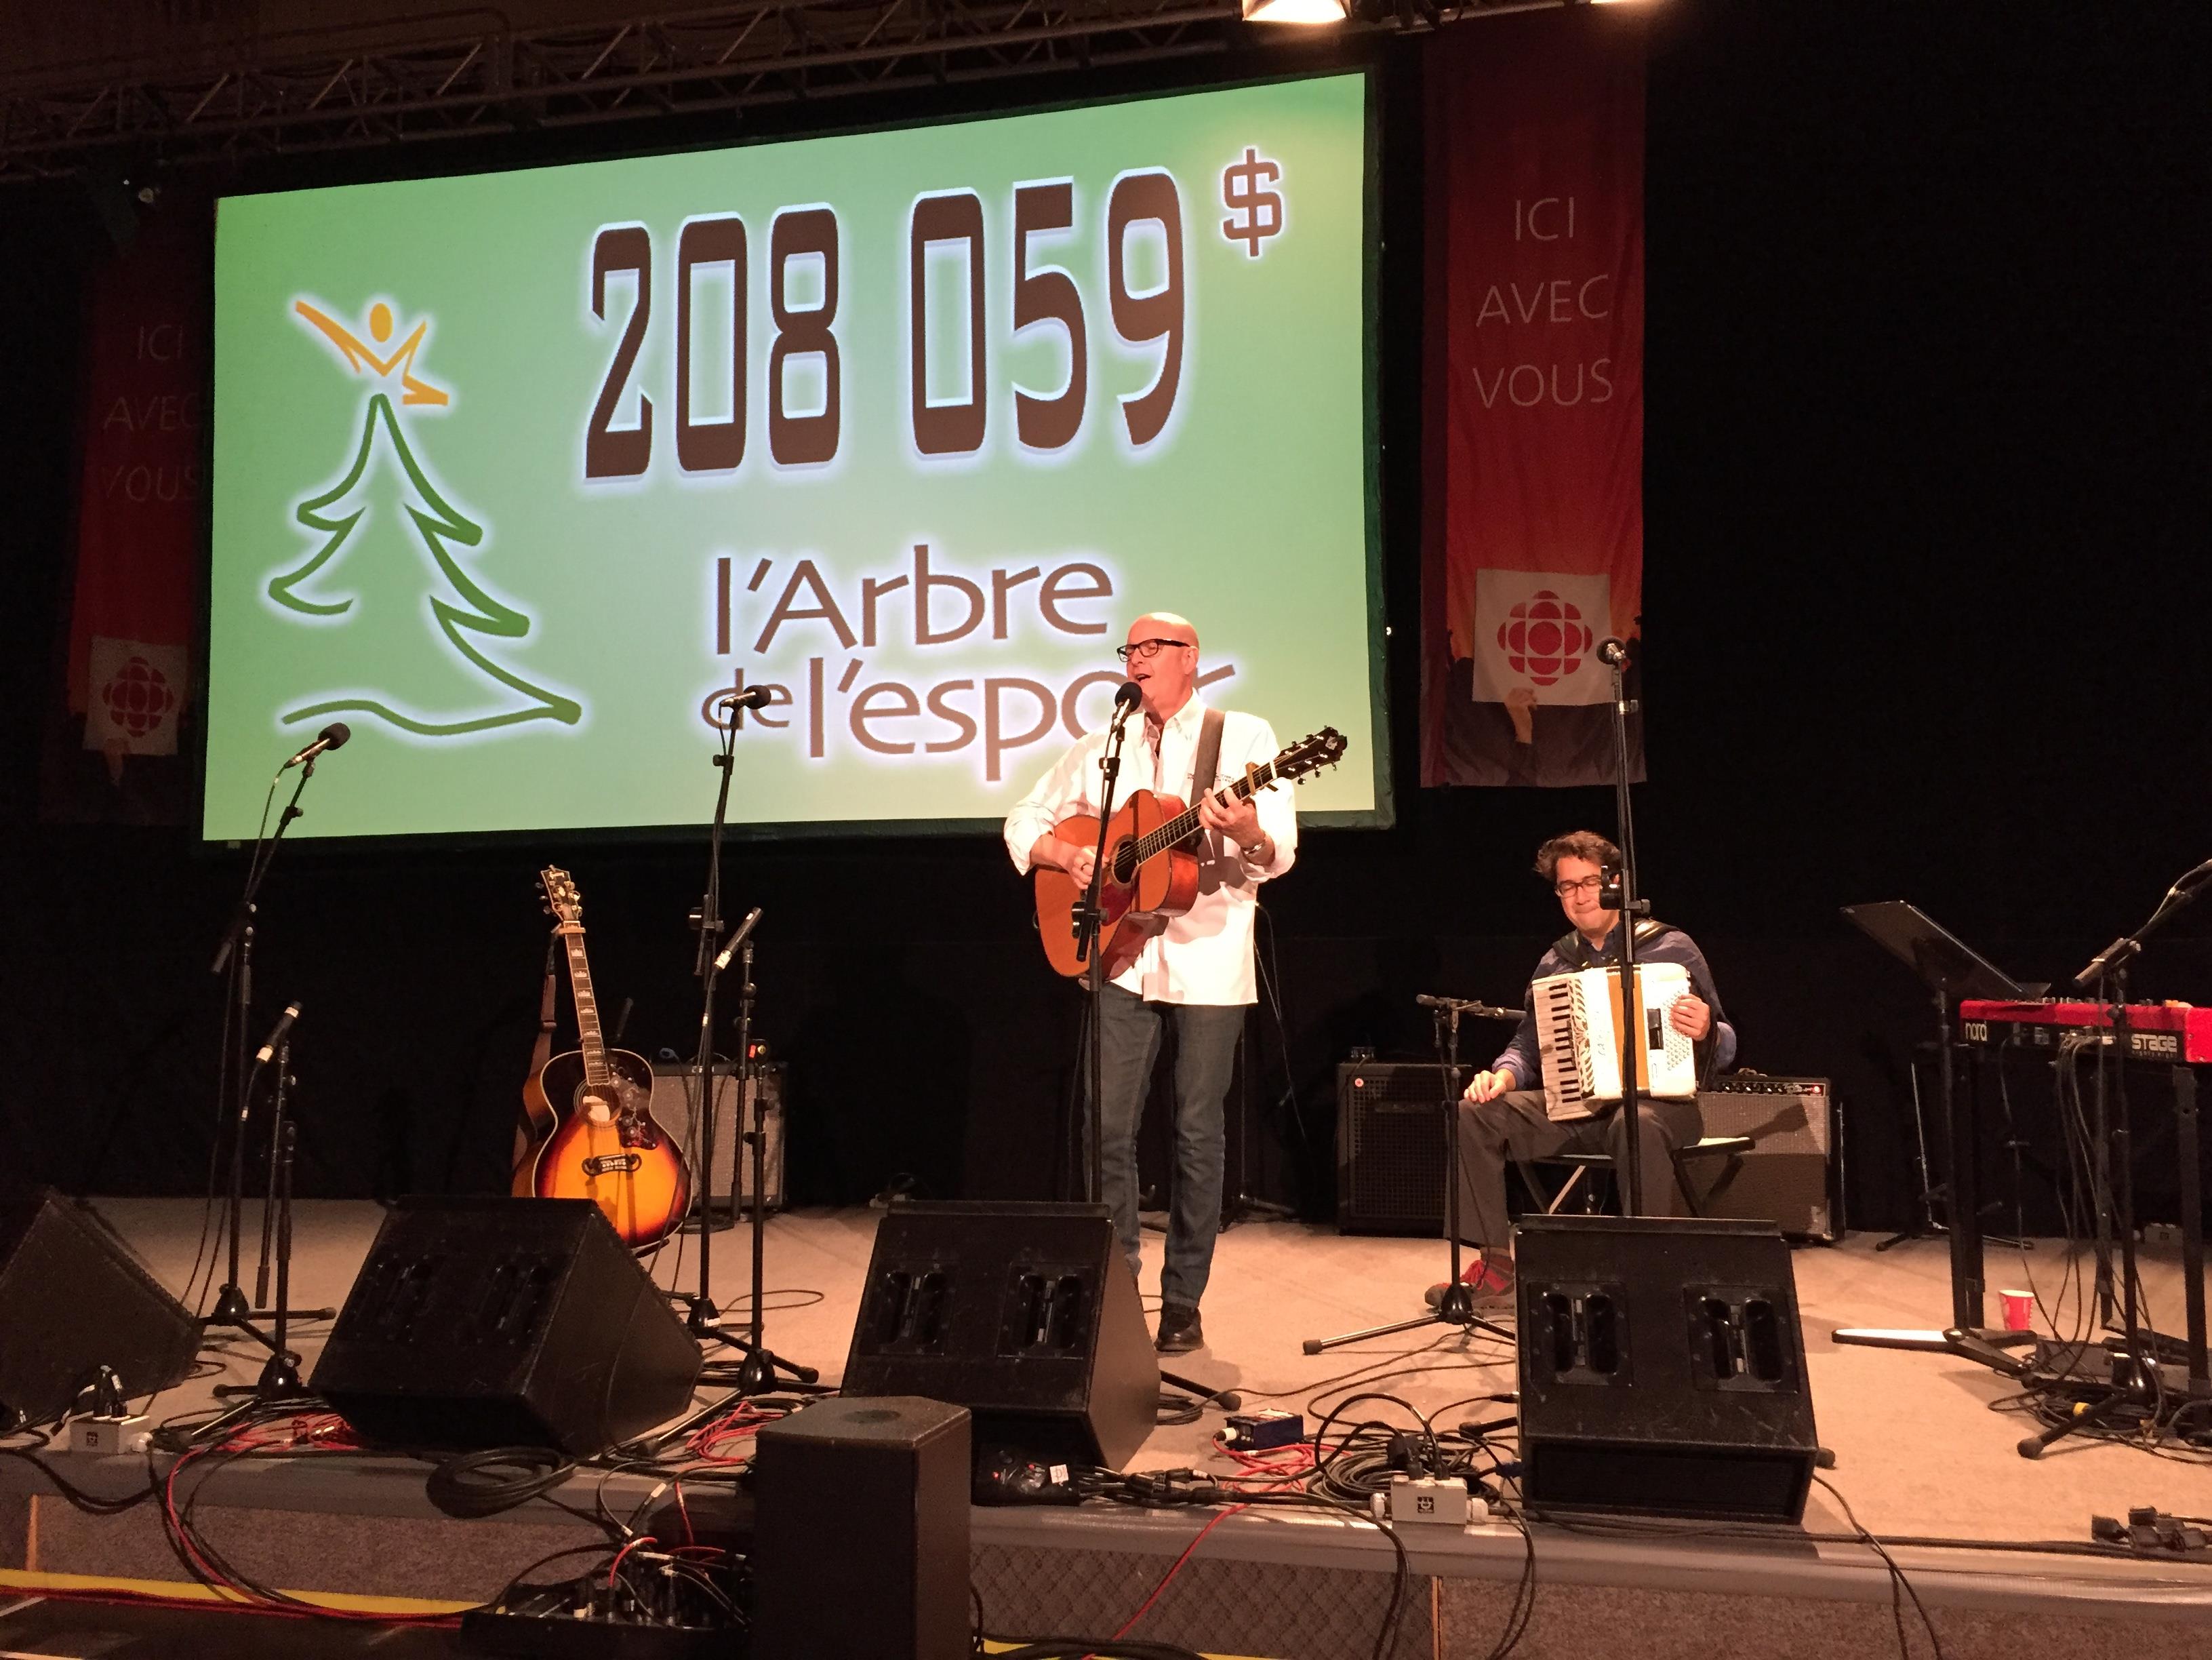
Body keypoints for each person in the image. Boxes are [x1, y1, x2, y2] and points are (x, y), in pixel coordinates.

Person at [1004, 613, 1299, 1354]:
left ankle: (1182, 1302)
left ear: (1188, 658)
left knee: (1196, 1132)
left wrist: (1245, 832)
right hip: (1120, 955)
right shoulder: (1100, 745)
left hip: (1208, 958)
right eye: (1127, 650)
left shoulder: (1245, 739)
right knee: (1105, 1129)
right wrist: (1063, 856)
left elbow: (1278, 851)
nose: (1134, 661)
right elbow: (1022, 821)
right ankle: (1117, 1287)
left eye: (1148, 649)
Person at [1432, 830, 1736, 1308]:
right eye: (1567, 886)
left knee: (1636, 1121)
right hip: (1577, 1111)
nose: (1578, 896)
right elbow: (1528, 1047)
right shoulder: (1556, 961)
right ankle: (1496, 1264)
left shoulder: (1670, 947)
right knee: (1473, 1112)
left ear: (1614, 883)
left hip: (1663, 1111)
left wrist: (1704, 1030)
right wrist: (1502, 1076)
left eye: (1589, 882)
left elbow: (1724, 1043)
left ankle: (1648, 1273)